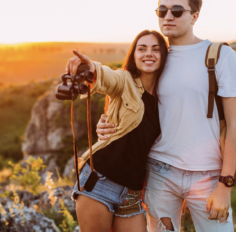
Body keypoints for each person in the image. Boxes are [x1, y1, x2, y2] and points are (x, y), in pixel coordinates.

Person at [94, 0, 236, 231]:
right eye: (162, 10)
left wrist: (225, 185)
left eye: (177, 11)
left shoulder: (220, 56)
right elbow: (127, 93)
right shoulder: (155, 57)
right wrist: (108, 123)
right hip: (160, 170)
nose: (168, 17)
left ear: (195, 16)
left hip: (207, 174)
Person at [66, 30, 169, 232]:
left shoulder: (167, 97)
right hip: (99, 181)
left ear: (164, 56)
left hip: (132, 190)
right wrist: (92, 67)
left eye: (156, 49)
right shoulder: (126, 81)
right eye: (142, 49)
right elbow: (108, 77)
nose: (149, 53)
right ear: (134, 55)